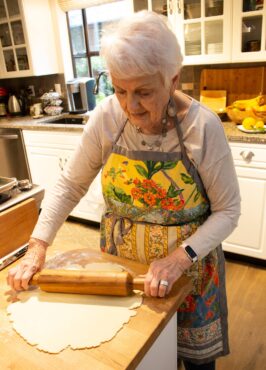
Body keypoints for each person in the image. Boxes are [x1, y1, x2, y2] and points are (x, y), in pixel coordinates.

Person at [7, 11, 240, 370]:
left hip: (189, 273)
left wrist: (180, 259)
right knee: (134, 357)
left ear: (172, 80)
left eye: (144, 92)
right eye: (119, 90)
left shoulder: (203, 127)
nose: (130, 107)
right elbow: (70, 184)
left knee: (195, 365)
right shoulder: (106, 118)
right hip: (121, 271)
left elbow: (228, 211)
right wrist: (37, 247)